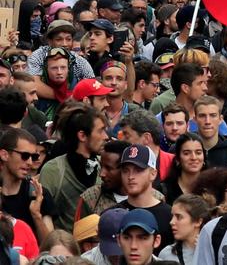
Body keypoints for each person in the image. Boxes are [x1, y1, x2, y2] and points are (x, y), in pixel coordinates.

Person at [40, 102, 108, 232]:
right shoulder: (53, 171)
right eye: (100, 131)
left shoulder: (104, 166)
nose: (106, 136)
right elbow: (43, 217)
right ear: (82, 135)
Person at [0, 128, 57, 244]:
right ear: (4, 155)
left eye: (34, 157)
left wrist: (36, 215)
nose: (30, 162)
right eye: (25, 156)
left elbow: (50, 248)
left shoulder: (38, 194)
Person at [116, 144, 174, 253]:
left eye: (138, 170)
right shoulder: (112, 214)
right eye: (125, 170)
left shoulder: (170, 217)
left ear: (153, 174)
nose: (130, 176)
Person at [158, 194, 209, 265]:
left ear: (198, 221)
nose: (171, 222)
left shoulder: (212, 252)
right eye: (172, 216)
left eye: (179, 217)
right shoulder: (166, 254)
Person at [193, 96, 227, 168]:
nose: (207, 121)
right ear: (195, 120)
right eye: (202, 116)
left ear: (220, 119)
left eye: (213, 115)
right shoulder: (183, 150)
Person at [161, 134, 206, 205]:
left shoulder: (213, 188)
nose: (194, 158)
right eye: (186, 153)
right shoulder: (164, 190)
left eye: (198, 153)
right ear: (178, 159)